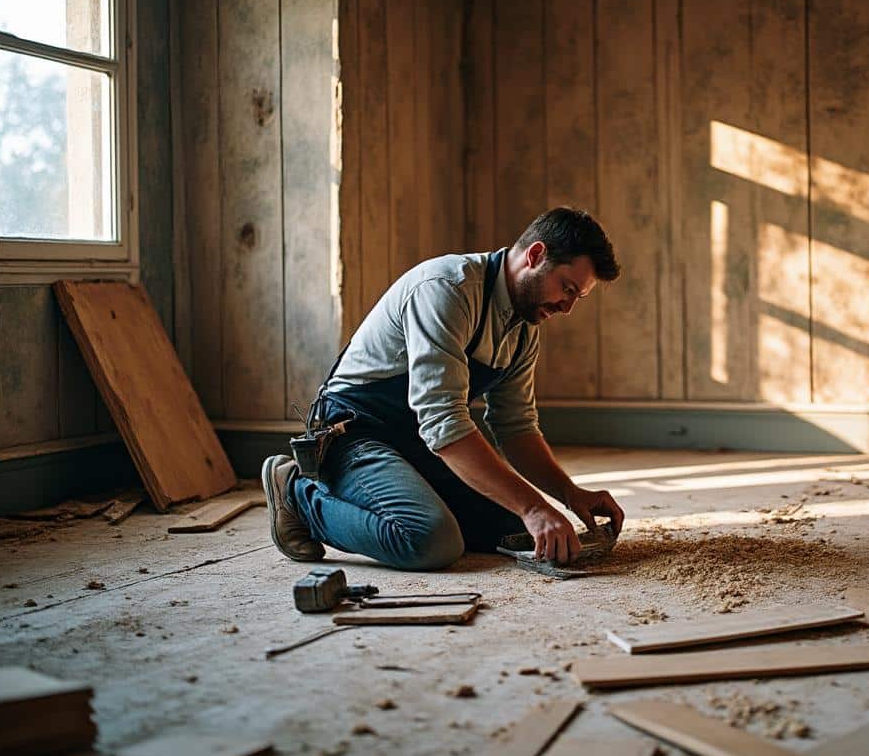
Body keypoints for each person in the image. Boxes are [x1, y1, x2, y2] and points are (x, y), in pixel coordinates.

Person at [261, 207, 625, 570]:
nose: (567, 307)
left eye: (578, 297)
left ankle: (410, 493)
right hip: (355, 433)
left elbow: (516, 427)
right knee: (430, 540)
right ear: (535, 255)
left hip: (421, 444)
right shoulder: (447, 288)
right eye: (567, 289)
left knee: (515, 531)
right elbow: (444, 422)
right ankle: (296, 492)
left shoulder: (524, 329)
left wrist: (568, 494)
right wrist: (533, 507)